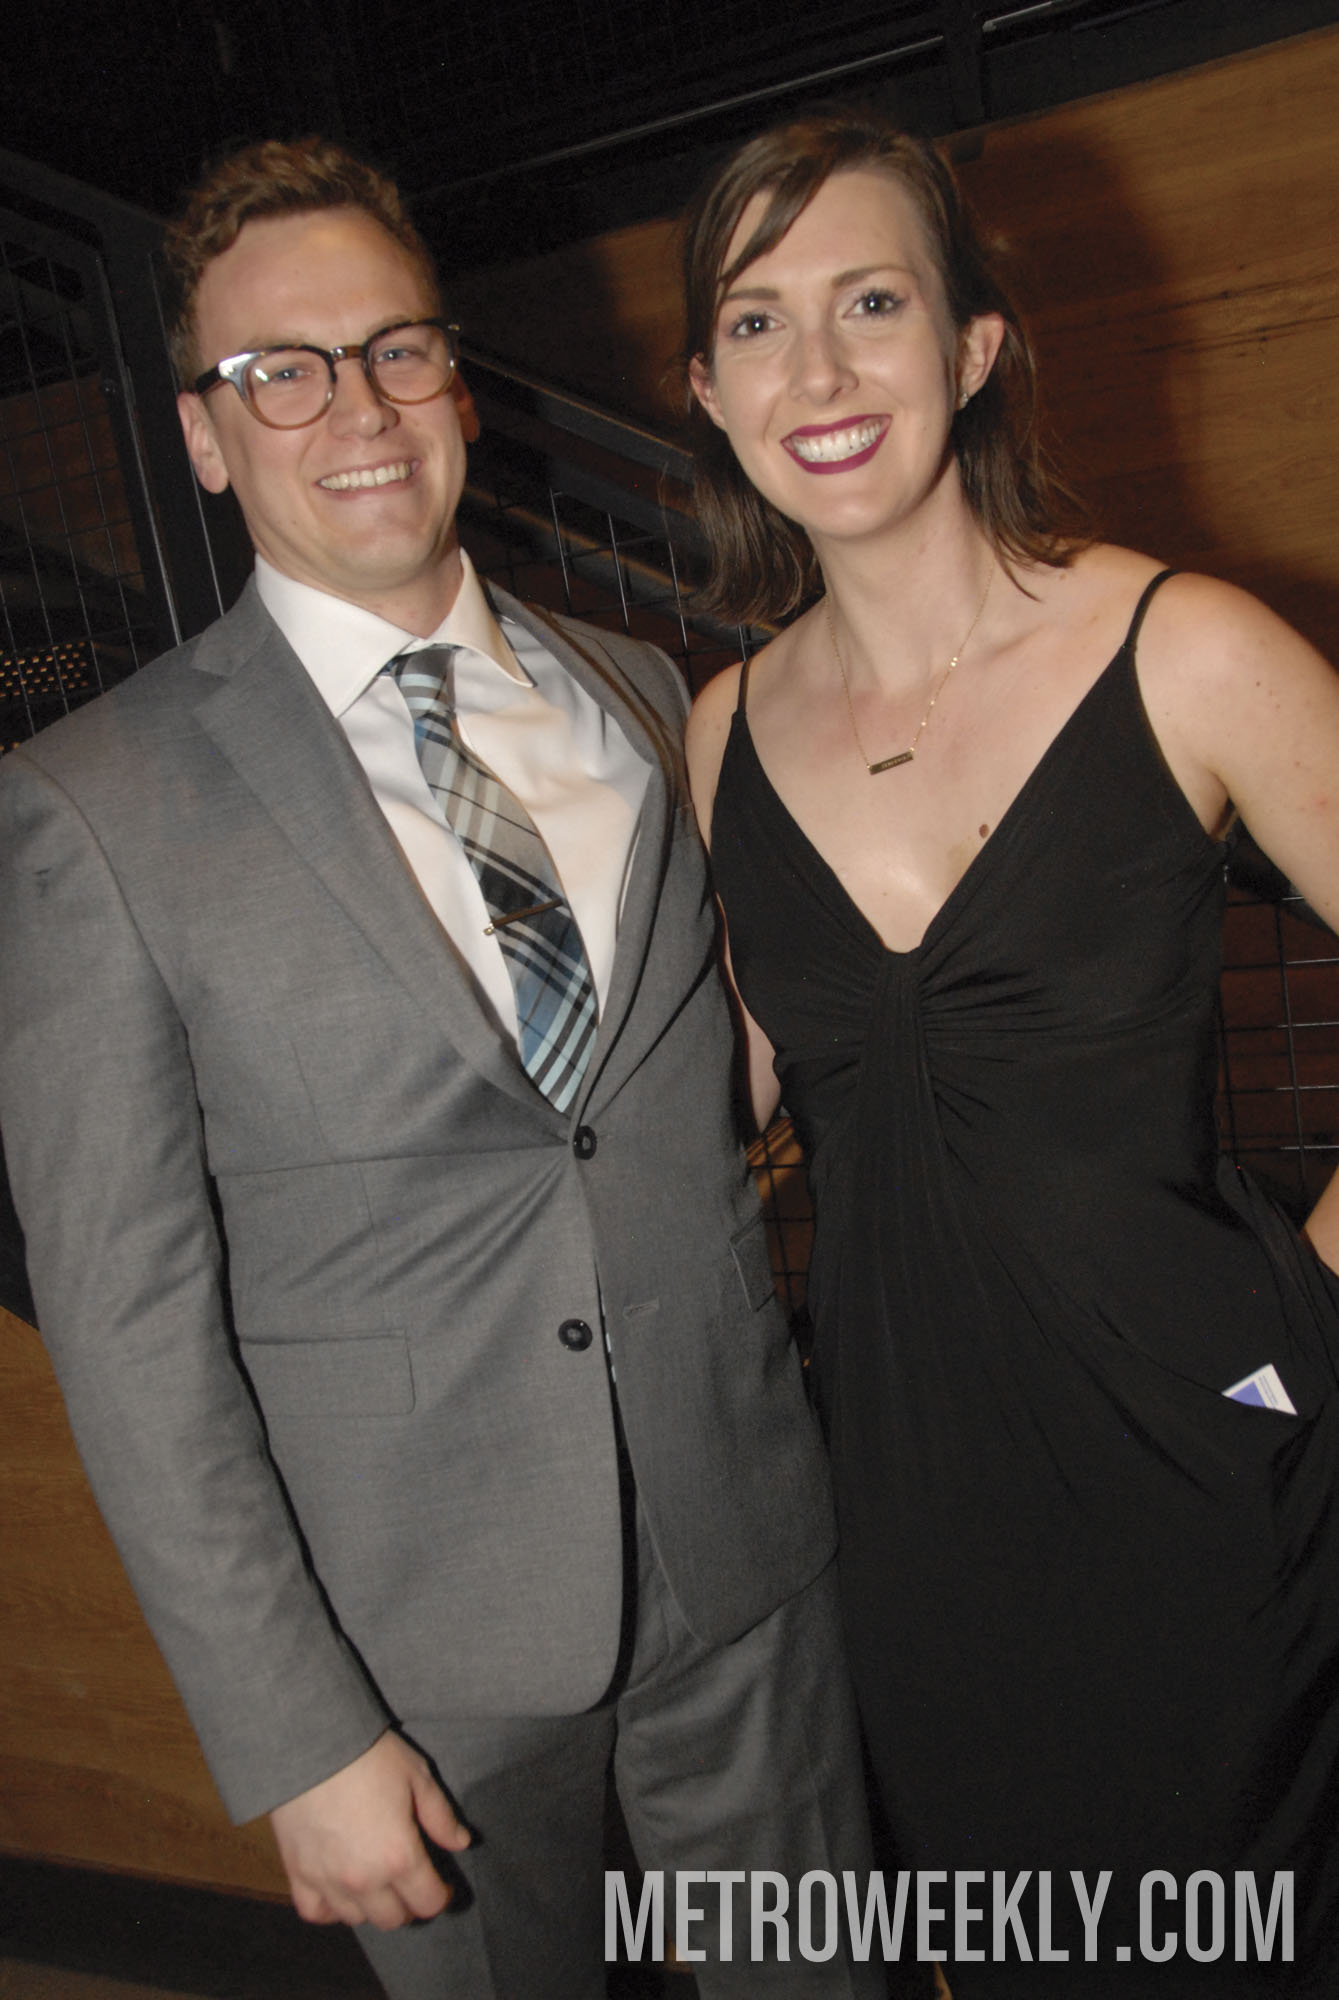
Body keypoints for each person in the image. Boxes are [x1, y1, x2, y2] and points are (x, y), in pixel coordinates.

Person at [0, 139, 883, 2000]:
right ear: (203, 436)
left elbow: (679, 1099)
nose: (358, 408)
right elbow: (127, 1328)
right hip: (418, 1648)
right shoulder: (90, 806)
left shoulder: (640, 692)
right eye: (282, 372)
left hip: (744, 1561)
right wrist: (295, 1732)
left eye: (397, 349)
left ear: (458, 385)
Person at [682, 110, 1339, 1994]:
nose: (817, 370)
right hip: (905, 1507)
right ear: (711, 393)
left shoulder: (1182, 647)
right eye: (757, 321)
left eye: (872, 302)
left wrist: (1305, 1326)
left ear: (973, 346)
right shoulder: (721, 731)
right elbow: (715, 1110)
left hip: (1206, 1463)